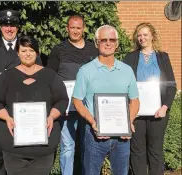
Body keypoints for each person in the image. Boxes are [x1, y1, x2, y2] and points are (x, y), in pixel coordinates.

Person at [0, 35, 69, 175]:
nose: (28, 54)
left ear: (37, 53)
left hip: (43, 147)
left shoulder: (50, 75)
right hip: (13, 146)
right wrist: (7, 117)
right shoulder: (6, 77)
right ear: (17, 52)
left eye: (31, 50)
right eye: (24, 51)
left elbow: (62, 99)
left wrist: (51, 116)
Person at [0, 9, 42, 175]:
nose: (9, 29)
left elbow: (40, 74)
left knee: (21, 156)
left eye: (12, 25)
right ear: (0, 27)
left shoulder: (27, 48)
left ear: (18, 27)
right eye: (6, 25)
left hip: (23, 110)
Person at [72, 25, 140, 175]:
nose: (108, 43)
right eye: (104, 40)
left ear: (117, 44)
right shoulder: (85, 70)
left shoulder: (127, 70)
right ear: (97, 43)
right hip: (94, 133)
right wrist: (93, 121)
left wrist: (129, 122)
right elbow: (77, 101)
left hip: (122, 136)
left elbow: (134, 101)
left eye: (112, 40)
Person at [46, 14, 98, 175]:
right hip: (67, 110)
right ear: (67, 28)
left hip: (88, 109)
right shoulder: (58, 50)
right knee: (68, 148)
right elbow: (50, 79)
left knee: (87, 147)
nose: (75, 31)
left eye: (78, 28)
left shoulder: (93, 50)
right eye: (72, 27)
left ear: (84, 29)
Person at [123, 22, 177, 175]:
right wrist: (129, 111)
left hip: (158, 113)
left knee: (155, 151)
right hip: (137, 113)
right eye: (139, 35)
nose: (142, 38)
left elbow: (171, 86)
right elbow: (124, 86)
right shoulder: (130, 58)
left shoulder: (163, 57)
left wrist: (165, 107)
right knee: (137, 151)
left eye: (145, 34)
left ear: (152, 36)